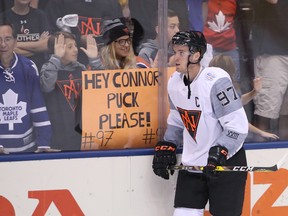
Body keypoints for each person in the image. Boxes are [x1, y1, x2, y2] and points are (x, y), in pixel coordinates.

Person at [152, 31, 248, 216]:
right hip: (193, 164)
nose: (175, 58)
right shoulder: (174, 83)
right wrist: (168, 144)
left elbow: (237, 126)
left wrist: (221, 150)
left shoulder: (216, 81)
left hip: (224, 163)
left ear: (196, 55)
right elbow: (178, 120)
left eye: (181, 52)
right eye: (175, 52)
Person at [0, 21, 54, 154]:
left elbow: (37, 106)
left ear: (15, 42)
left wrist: (44, 142)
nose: (3, 44)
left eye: (7, 39)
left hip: (26, 150)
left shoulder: (28, 67)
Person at [40, 31, 99, 151]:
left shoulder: (80, 68)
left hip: (82, 134)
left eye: (75, 46)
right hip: (59, 136)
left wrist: (94, 62)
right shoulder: (48, 68)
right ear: (57, 49)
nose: (76, 50)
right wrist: (56, 57)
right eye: (70, 47)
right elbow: (46, 86)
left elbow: (99, 90)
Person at [209, 54, 279, 141]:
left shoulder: (221, 85)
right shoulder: (219, 90)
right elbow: (237, 119)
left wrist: (255, 91)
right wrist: (261, 132)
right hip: (223, 138)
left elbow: (238, 101)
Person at [251, 0, 288, 141]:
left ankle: (285, 158)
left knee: (286, 114)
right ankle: (258, 157)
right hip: (272, 52)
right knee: (265, 111)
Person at [0, 0, 51, 70]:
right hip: (13, 71)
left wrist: (14, 44)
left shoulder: (40, 16)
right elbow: (5, 48)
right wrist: (38, 47)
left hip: (39, 70)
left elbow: (48, 44)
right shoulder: (3, 17)